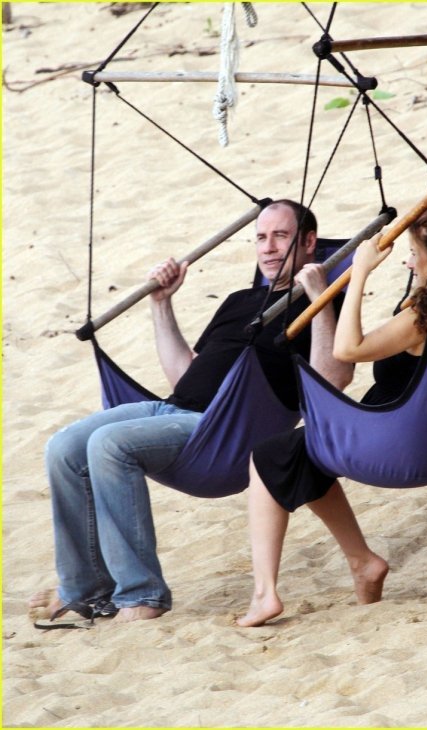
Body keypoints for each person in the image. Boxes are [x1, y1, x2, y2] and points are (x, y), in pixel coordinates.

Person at [29, 200, 353, 624]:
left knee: (109, 444)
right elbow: (185, 375)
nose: (269, 248)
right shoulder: (240, 301)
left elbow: (334, 378)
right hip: (172, 410)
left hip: (224, 432)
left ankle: (142, 595)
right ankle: (86, 591)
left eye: (281, 236)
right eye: (261, 237)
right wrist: (161, 304)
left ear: (310, 242)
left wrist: (320, 298)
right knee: (64, 447)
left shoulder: (321, 304)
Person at [237, 201, 427, 627]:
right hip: (417, 430)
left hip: (388, 437)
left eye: (414, 253)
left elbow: (347, 349)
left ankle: (264, 594)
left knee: (268, 456)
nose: (408, 261)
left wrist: (360, 273)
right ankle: (363, 562)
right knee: (302, 454)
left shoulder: (421, 318)